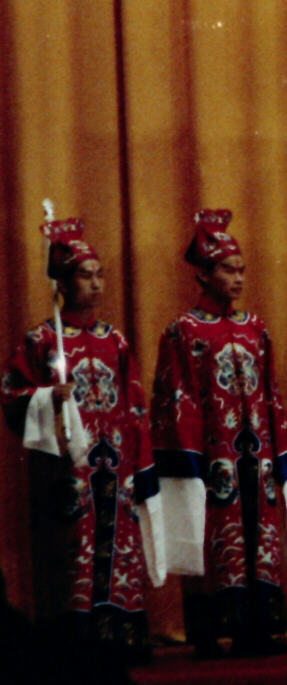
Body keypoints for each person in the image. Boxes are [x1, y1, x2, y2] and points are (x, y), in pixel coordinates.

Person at [1, 210, 164, 664]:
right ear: (64, 284)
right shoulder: (42, 340)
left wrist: (140, 463)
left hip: (118, 464)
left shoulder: (116, 341)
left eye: (99, 275)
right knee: (77, 547)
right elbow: (12, 392)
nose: (95, 284)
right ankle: (76, 641)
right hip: (70, 467)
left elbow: (134, 404)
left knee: (121, 546)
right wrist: (49, 396)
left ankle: (123, 633)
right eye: (84, 276)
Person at [151, 209, 287, 658]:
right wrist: (188, 462)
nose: (238, 278)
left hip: (256, 456)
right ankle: (207, 631)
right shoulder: (184, 331)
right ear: (203, 273)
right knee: (213, 536)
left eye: (241, 269)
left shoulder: (254, 328)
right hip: (212, 456)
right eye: (227, 269)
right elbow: (175, 397)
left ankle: (257, 628)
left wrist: (281, 453)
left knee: (261, 535)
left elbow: (273, 394)